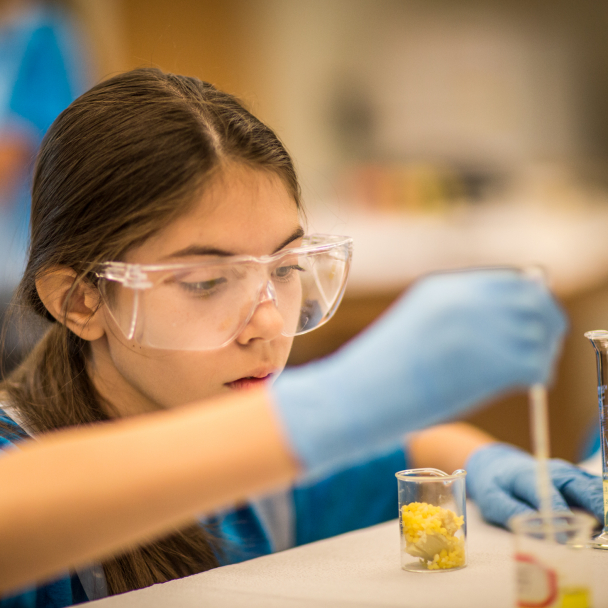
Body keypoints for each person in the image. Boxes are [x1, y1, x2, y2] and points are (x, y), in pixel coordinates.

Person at [0, 68, 600, 606]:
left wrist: (483, 462)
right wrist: (336, 403)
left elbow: (413, 450)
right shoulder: (18, 453)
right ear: (80, 300)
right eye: (209, 281)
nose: (267, 323)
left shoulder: (256, 463)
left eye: (286, 270)